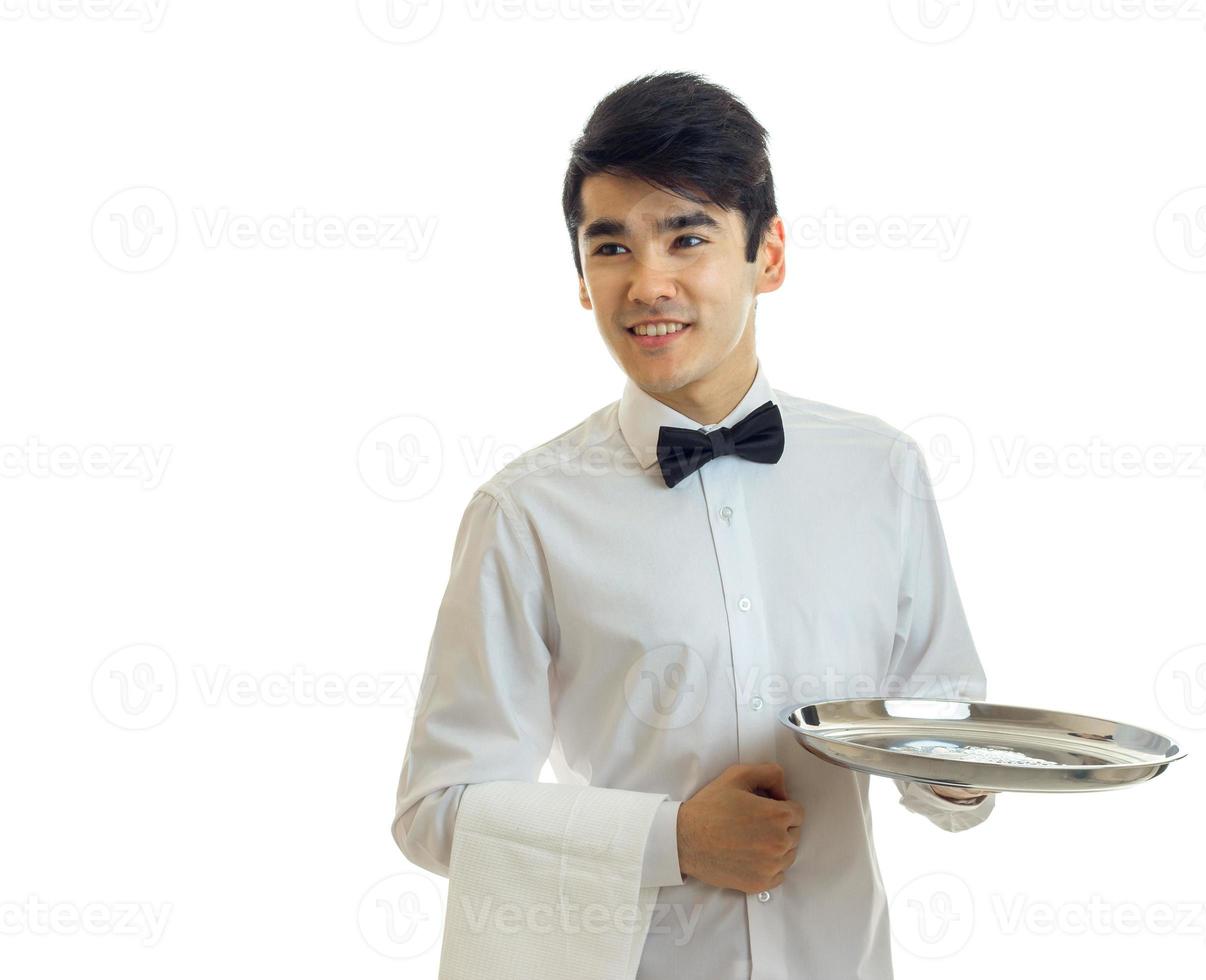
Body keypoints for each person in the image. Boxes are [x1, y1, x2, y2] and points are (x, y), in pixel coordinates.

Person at [391, 70, 996, 979]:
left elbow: (951, 746)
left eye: (688, 236)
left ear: (771, 255)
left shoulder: (883, 472)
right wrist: (670, 841)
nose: (649, 283)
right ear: (582, 282)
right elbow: (436, 811)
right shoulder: (524, 513)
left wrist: (958, 773)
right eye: (612, 248)